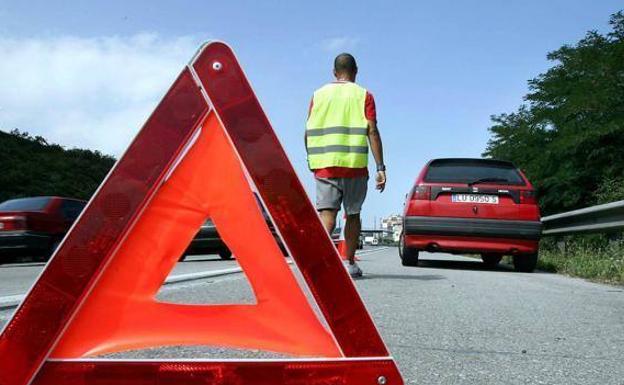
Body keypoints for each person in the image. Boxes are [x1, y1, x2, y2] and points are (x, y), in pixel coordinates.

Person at [305, 53, 386, 278]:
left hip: (324, 164)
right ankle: (349, 263)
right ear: (356, 71)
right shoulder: (364, 96)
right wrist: (380, 167)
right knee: (353, 214)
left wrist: (311, 160)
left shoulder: (317, 95)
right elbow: (372, 130)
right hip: (354, 165)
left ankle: (316, 263)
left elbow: (308, 130)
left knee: (327, 215)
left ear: (334, 72)